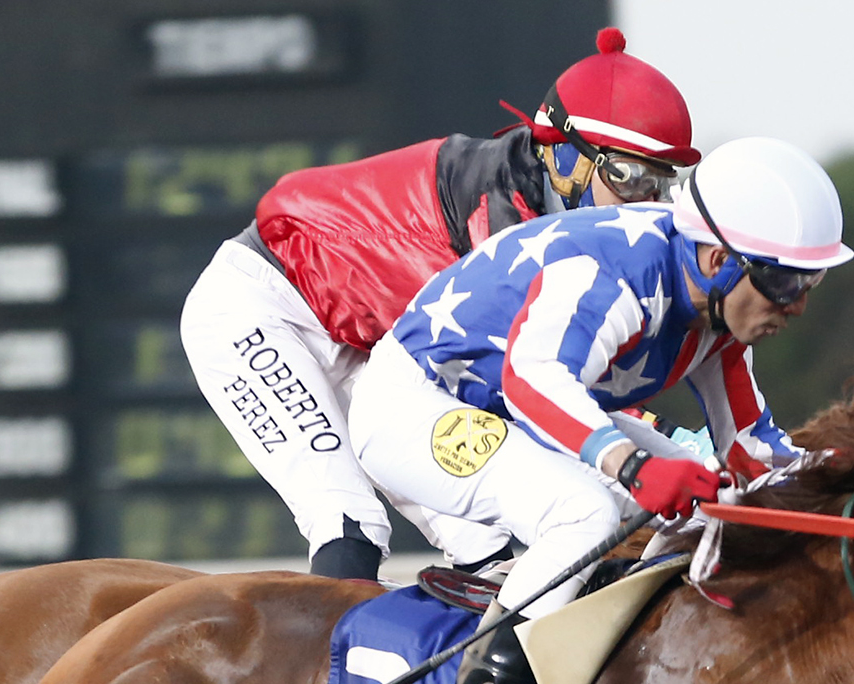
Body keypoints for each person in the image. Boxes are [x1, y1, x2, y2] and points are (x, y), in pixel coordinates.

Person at [346, 137, 853, 684]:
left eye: (811, 285)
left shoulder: (719, 308)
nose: (797, 307)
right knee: (585, 512)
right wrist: (632, 466)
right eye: (786, 284)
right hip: (416, 407)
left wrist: (853, 481)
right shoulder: (613, 273)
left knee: (706, 492)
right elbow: (532, 380)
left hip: (507, 404)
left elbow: (757, 452)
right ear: (718, 260)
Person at [178, 29, 700, 582]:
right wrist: (665, 440)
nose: (647, 203)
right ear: (565, 155)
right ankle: (323, 641)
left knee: (482, 538)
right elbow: (537, 384)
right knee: (349, 520)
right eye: (630, 177)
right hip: (260, 307)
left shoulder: (557, 214)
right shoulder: (496, 216)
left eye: (661, 183)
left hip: (371, 342)